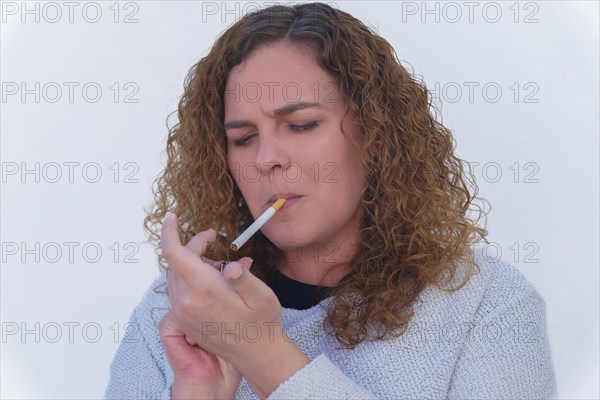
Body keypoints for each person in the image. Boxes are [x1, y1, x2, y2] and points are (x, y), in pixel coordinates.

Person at [104, 3, 557, 399]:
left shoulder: (488, 304)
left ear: (375, 135)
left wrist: (261, 354)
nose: (266, 160)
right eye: (243, 138)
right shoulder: (177, 309)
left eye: (300, 125)